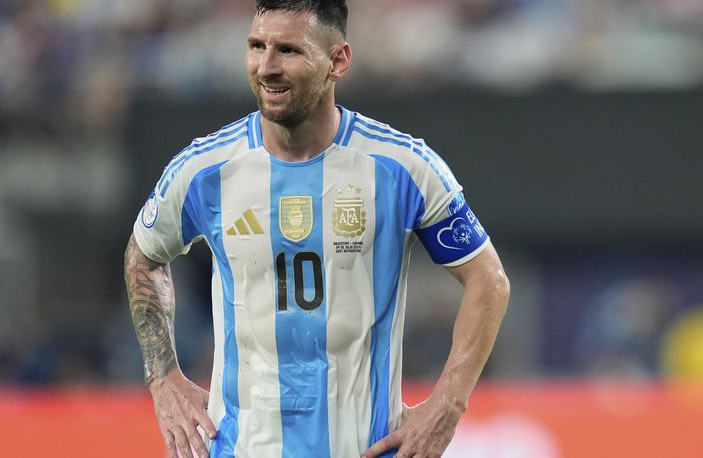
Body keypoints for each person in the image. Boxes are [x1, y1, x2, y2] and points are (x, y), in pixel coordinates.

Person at [123, 1, 510, 457]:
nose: (266, 66)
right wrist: (163, 377)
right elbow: (143, 255)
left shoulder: (402, 168)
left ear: (338, 61)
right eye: (256, 46)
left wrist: (447, 404)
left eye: (288, 50)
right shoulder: (205, 170)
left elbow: (489, 279)